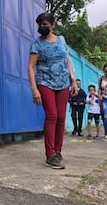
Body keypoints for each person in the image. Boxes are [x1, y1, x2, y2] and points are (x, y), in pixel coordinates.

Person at [28, 12, 78, 169]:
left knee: (61, 118)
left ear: (53, 25)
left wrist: (73, 82)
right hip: (45, 82)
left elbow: (67, 61)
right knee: (52, 116)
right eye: (40, 25)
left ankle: (58, 151)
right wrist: (34, 89)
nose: (42, 27)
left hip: (63, 83)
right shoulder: (36, 44)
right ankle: (50, 155)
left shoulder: (61, 40)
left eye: (45, 24)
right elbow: (31, 67)